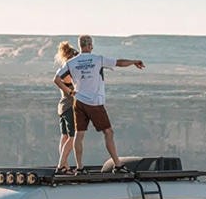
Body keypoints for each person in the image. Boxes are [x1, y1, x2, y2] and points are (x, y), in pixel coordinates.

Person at [53, 34, 144, 174]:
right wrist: (133, 61)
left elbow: (57, 79)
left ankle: (80, 167)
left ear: (80, 46)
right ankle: (118, 165)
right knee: (108, 132)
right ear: (90, 46)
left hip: (78, 101)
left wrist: (70, 93)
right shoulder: (97, 59)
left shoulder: (71, 62)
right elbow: (119, 62)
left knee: (78, 134)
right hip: (94, 101)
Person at [53, 41, 80, 174]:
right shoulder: (68, 72)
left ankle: (65, 166)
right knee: (73, 137)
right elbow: (67, 83)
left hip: (62, 106)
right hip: (69, 106)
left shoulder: (62, 69)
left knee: (64, 137)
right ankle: (61, 166)